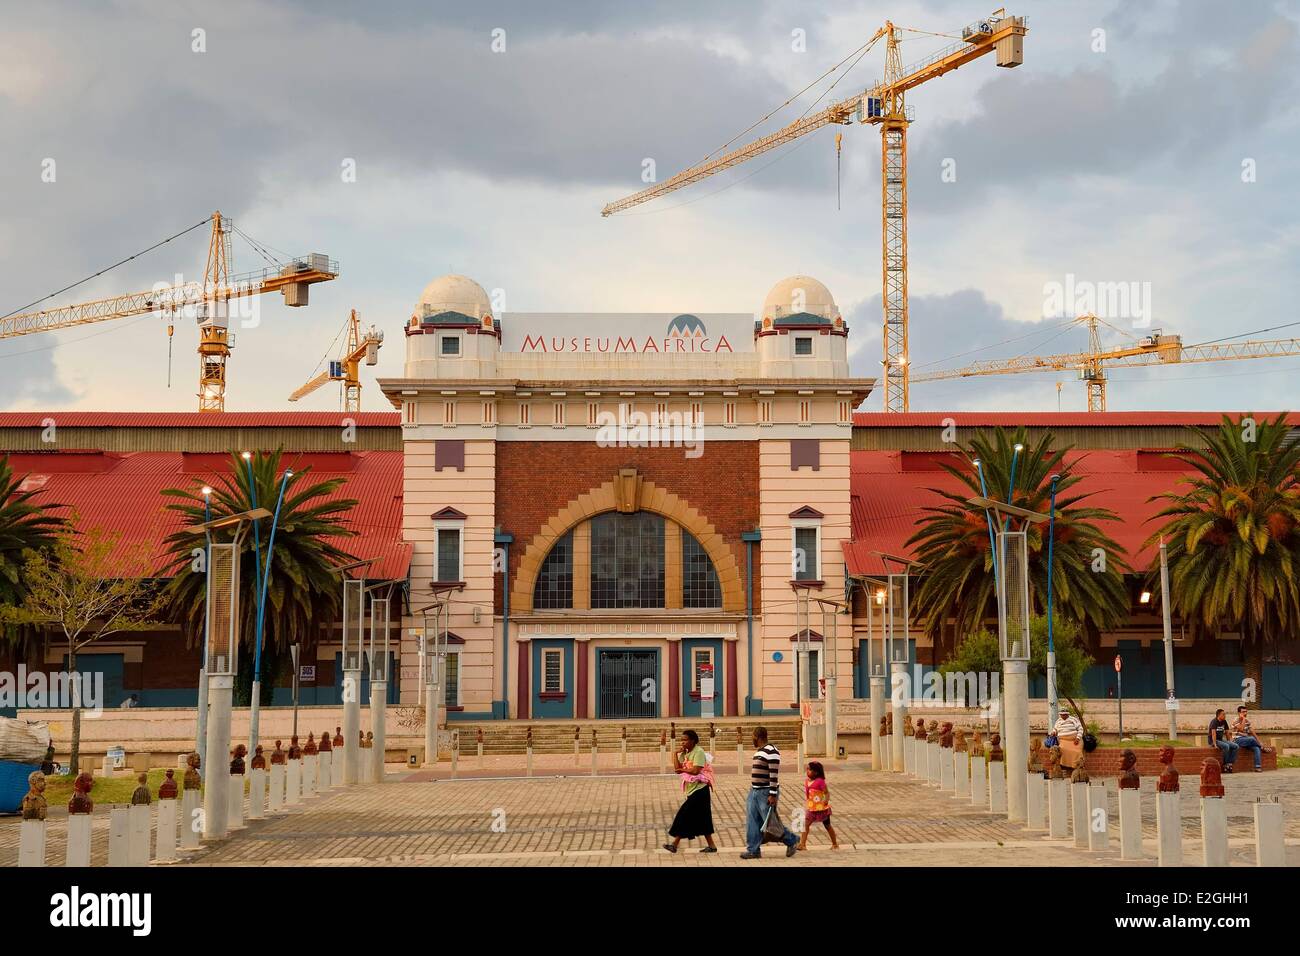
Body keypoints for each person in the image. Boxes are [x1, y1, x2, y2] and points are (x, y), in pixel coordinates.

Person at [741, 726, 798, 860]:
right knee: (752, 822)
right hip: (754, 791)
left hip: (766, 792)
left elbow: (774, 774)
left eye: (753, 737)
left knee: (771, 824)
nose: (752, 740)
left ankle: (792, 840)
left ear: (757, 736)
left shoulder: (772, 751)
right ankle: (753, 850)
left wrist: (772, 794)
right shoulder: (760, 751)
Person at [664, 730, 718, 853]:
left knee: (683, 815)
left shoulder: (698, 752)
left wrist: (682, 769)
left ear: (693, 741)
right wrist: (675, 754)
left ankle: (674, 844)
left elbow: (695, 771)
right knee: (703, 818)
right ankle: (712, 846)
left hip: (700, 790)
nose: (682, 742)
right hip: (691, 790)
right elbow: (677, 769)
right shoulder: (686, 753)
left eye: (685, 740)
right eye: (681, 740)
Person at [798, 760, 839, 851]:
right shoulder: (807, 781)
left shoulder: (820, 781)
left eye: (809, 769)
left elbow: (826, 793)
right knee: (806, 824)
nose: (807, 771)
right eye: (807, 769)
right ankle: (802, 844)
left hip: (821, 808)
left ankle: (835, 844)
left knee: (828, 826)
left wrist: (826, 800)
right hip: (811, 808)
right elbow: (808, 794)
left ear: (816, 772)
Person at [1231, 705, 1263, 772]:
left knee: (1256, 748)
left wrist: (1259, 741)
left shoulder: (1247, 721)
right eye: (1243, 712)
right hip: (1237, 740)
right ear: (1239, 713)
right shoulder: (1235, 720)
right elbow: (1241, 729)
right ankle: (1263, 748)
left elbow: (1252, 731)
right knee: (1251, 738)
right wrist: (1243, 719)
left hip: (1247, 740)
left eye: (1246, 712)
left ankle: (1257, 767)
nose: (1245, 713)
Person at [1052, 709, 1084, 775]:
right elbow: (1055, 729)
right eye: (1062, 715)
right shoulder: (1058, 721)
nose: (1063, 716)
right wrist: (1054, 732)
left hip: (1074, 740)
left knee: (1077, 752)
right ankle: (1065, 768)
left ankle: (1076, 767)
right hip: (1063, 740)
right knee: (1061, 750)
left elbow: (1080, 729)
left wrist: (1077, 738)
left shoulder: (1073, 719)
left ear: (1067, 714)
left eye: (1064, 715)